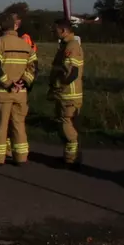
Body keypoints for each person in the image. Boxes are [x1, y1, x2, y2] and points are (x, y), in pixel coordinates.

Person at [0, 14, 38, 166]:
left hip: (3, 92)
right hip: (20, 93)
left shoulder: (0, 42)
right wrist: (24, 82)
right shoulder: (25, 44)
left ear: (3, 27)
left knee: (0, 125)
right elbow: (34, 67)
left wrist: (8, 83)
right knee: (19, 124)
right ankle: (21, 157)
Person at [48, 18, 84, 168]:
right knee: (63, 124)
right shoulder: (65, 46)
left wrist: (60, 85)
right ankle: (68, 157)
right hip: (63, 93)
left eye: (55, 29)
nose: (53, 32)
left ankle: (72, 159)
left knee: (67, 126)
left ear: (63, 30)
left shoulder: (71, 46)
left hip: (68, 94)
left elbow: (72, 72)